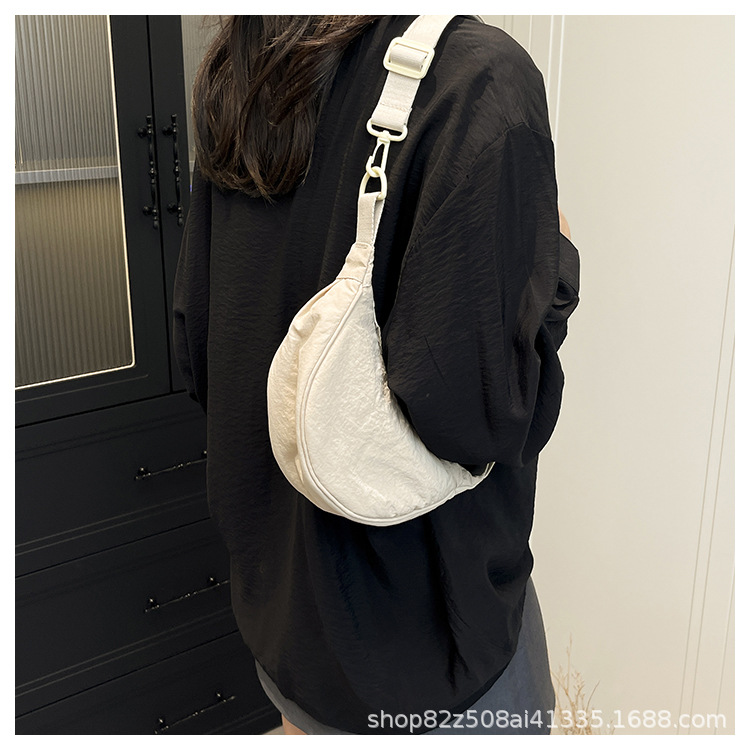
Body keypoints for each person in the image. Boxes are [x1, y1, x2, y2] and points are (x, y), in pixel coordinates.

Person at [173, 15, 580, 735]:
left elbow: (201, 339)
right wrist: (558, 268)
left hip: (284, 614)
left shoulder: (243, 68)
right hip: (429, 655)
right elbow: (483, 422)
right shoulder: (478, 78)